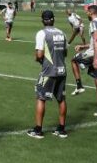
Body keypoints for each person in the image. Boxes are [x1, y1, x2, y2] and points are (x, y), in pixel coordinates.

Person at [27, 11, 68, 139]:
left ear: (42, 20)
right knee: (61, 99)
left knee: (41, 97)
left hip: (48, 71)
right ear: (53, 19)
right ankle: (61, 129)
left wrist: (38, 59)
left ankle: (38, 130)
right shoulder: (62, 33)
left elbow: (39, 54)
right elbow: (65, 52)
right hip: (62, 70)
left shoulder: (42, 33)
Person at [71, 4, 97, 119]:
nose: (86, 13)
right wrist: (83, 46)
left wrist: (95, 59)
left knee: (74, 60)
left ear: (91, 12)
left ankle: (79, 85)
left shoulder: (94, 23)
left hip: (95, 55)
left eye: (87, 12)